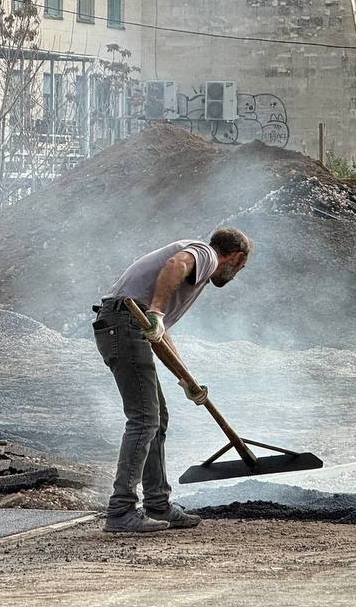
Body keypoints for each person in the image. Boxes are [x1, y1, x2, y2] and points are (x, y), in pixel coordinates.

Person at [92, 227, 251, 533]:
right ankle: (121, 510)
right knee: (144, 418)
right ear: (237, 257)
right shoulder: (204, 254)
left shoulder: (200, 270)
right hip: (124, 322)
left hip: (125, 323)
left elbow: (159, 336)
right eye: (240, 268)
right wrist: (155, 311)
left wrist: (186, 380)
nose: (236, 274)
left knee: (157, 418)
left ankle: (158, 505)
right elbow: (176, 264)